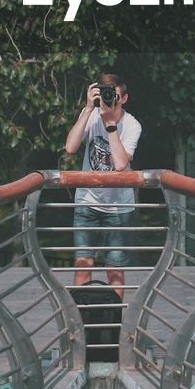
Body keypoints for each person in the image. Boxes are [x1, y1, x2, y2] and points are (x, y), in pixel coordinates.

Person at [64, 73, 141, 299]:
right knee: (81, 269)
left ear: (124, 98)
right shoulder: (91, 115)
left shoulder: (132, 125)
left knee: (115, 271)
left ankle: (113, 326)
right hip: (86, 202)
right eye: (105, 94)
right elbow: (70, 147)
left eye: (114, 96)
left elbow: (119, 164)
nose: (109, 100)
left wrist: (110, 126)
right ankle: (82, 326)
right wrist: (88, 109)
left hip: (119, 208)